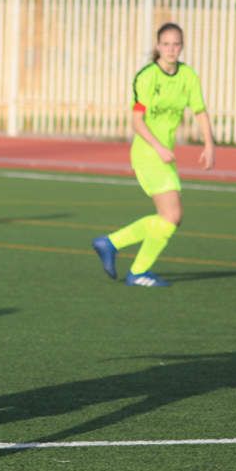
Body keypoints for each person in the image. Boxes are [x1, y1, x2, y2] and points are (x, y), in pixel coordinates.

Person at [92, 22, 215, 287]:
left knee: (170, 218)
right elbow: (137, 122)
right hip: (148, 153)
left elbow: (200, 111)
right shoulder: (147, 77)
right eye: (167, 44)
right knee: (172, 215)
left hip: (164, 156)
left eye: (177, 44)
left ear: (182, 46)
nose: (172, 49)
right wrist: (158, 147)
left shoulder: (188, 76)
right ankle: (136, 269)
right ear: (158, 46)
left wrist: (209, 144)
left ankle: (112, 245)